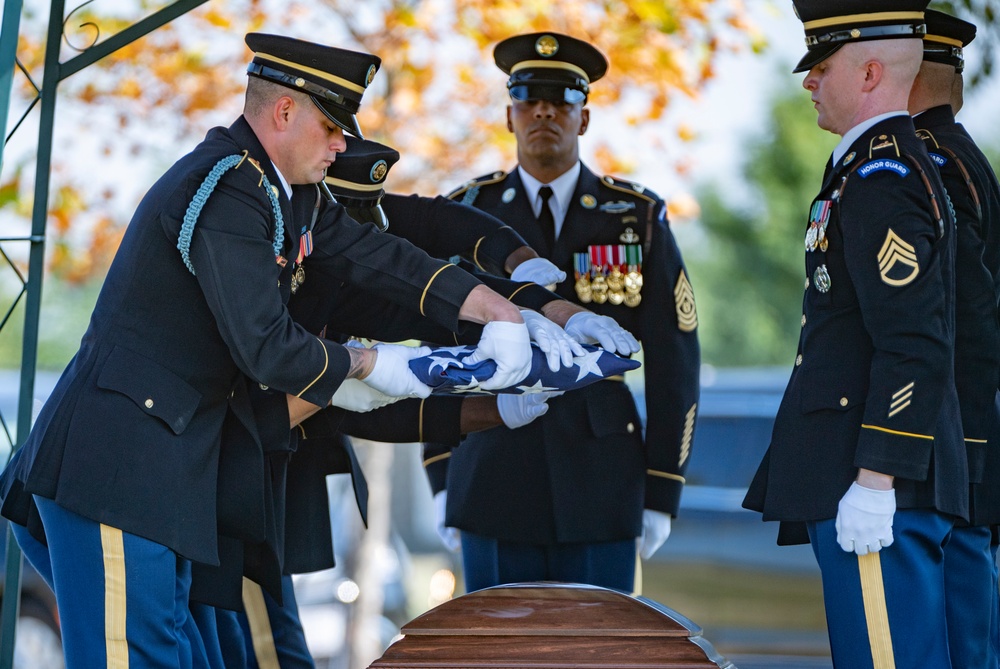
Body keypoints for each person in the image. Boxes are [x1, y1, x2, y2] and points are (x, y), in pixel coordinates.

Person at [0, 32, 537, 667]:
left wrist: (506, 309)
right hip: (121, 471)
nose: (343, 143)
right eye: (332, 125)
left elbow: (382, 256)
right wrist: (375, 363)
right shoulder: (228, 188)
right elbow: (268, 349)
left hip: (159, 477)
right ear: (284, 113)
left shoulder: (286, 192)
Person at [229, 136, 639, 667]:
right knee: (248, 637)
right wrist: (480, 414)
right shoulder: (275, 252)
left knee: (268, 636)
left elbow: (452, 236)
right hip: (228, 464)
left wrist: (545, 305)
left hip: (269, 470)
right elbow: (363, 401)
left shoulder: (349, 238)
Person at [424, 31, 701, 594]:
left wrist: (662, 488)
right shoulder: (463, 214)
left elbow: (676, 362)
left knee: (602, 651)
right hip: (490, 473)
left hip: (603, 479)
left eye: (562, 99)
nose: (544, 111)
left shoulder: (636, 217)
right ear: (509, 115)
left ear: (584, 118)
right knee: (497, 654)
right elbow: (437, 349)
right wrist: (439, 474)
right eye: (529, 97)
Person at [741, 2, 968, 666]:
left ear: (870, 71)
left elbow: (914, 340)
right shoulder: (867, 169)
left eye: (822, 65)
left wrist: (877, 479)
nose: (808, 80)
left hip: (873, 483)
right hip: (865, 473)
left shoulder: (880, 178)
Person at [909, 10, 1000, 668]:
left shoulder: (929, 164)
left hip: (954, 442)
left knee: (957, 635)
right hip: (967, 434)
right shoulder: (962, 157)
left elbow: (961, 318)